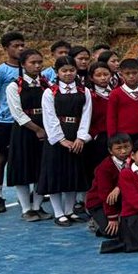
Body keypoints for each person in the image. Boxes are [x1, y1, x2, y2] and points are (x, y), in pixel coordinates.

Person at [37, 58, 91, 227]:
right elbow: (49, 117)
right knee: (55, 174)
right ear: (57, 72)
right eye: (64, 71)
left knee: (73, 173)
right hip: (57, 138)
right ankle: (58, 212)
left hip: (76, 134)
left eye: (71, 70)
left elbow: (86, 114)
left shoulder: (84, 91)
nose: (68, 74)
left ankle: (69, 210)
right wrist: (61, 139)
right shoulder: (50, 92)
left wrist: (81, 137)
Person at [3, 49, 48, 221]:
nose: (37, 66)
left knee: (40, 168)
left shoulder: (46, 84)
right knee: (23, 170)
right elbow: (18, 113)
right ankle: (26, 208)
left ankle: (37, 206)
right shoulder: (14, 86)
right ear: (23, 65)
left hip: (44, 129)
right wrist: (37, 129)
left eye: (39, 62)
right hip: (24, 131)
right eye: (32, 63)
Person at [0, 31, 25, 213]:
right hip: (6, 121)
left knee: (24, 157)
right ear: (6, 48)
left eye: (22, 45)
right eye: (15, 46)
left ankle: (25, 192)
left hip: (26, 121)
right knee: (1, 156)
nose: (20, 49)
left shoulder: (29, 68)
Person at [85, 133, 132, 237]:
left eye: (126, 147)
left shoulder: (134, 161)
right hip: (100, 203)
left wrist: (119, 187)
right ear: (110, 151)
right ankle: (96, 222)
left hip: (123, 200)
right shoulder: (104, 168)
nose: (123, 151)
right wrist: (112, 217)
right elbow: (105, 195)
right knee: (111, 232)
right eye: (118, 148)